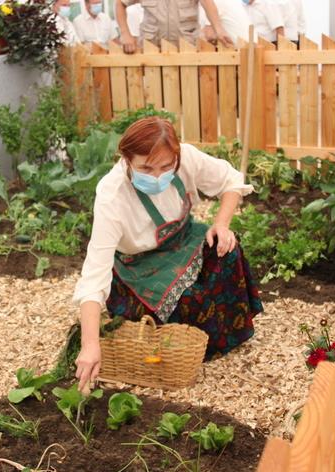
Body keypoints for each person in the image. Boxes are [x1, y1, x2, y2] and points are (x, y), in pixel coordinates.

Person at [73, 117, 264, 391]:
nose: (156, 177)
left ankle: (223, 338)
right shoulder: (112, 195)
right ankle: (187, 349)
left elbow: (230, 180)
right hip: (138, 266)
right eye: (145, 168)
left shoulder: (186, 158)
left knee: (227, 252)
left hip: (183, 239)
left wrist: (221, 225)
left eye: (165, 167)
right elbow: (94, 276)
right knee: (183, 299)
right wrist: (90, 345)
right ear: (127, 159)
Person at [115, 0, 234, 53]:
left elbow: (207, 3)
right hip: (152, 50)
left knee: (189, 92)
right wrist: (125, 34)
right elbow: (120, 3)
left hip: (187, 50)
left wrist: (219, 29)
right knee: (153, 93)